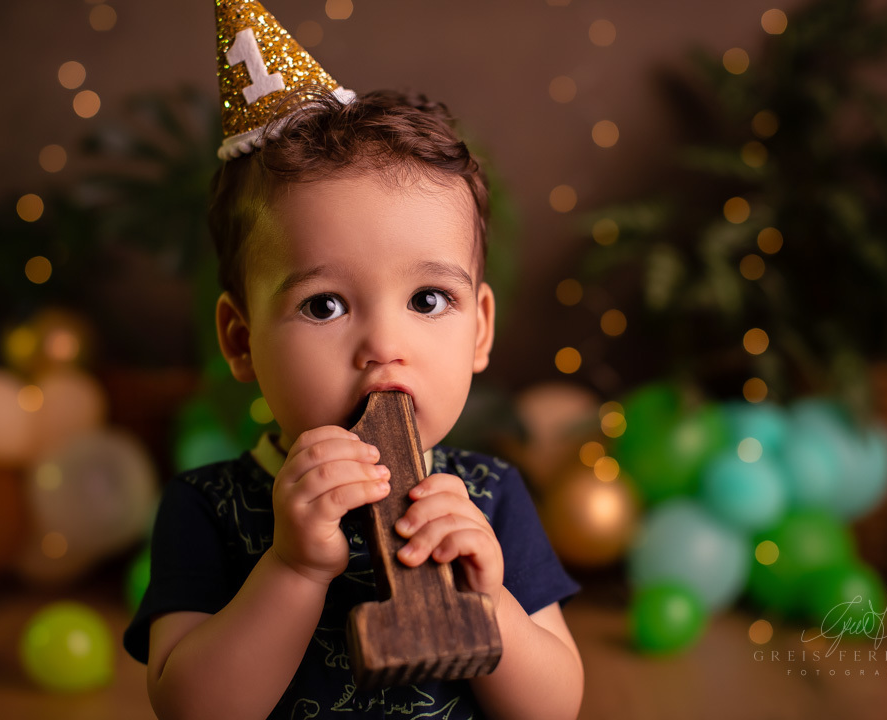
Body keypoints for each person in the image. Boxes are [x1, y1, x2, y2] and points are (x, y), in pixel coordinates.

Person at [124, 3, 583, 718]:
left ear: (481, 328)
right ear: (241, 341)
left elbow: (552, 708)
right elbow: (192, 709)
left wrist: (488, 598)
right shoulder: (209, 506)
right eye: (325, 306)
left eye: (428, 300)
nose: (383, 349)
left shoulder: (488, 497)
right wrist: (293, 567)